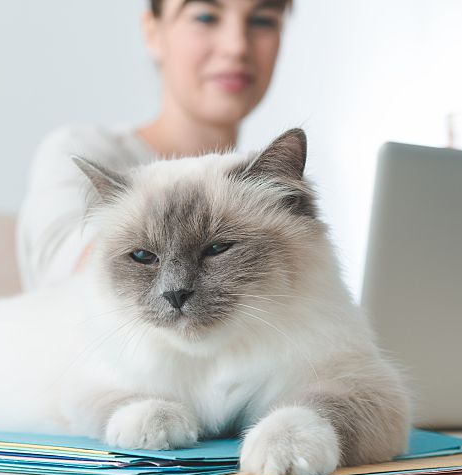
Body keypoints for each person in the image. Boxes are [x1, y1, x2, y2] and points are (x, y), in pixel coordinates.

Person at [17, 0, 292, 291]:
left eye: (262, 21)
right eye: (206, 17)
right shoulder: (84, 150)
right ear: (153, 32)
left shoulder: (266, 177)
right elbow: (65, 285)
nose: (237, 45)